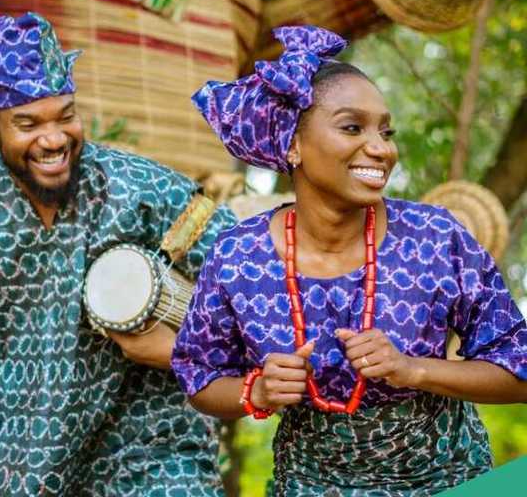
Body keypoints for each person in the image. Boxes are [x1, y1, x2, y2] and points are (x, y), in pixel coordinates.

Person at [172, 25, 527, 495]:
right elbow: (199, 375)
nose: (381, 149)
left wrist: (413, 369)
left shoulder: (436, 239)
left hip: (447, 477)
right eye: (352, 128)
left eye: (385, 131)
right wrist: (255, 391)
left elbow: (519, 369)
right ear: (293, 144)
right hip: (311, 483)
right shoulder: (238, 258)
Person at [0, 12, 236, 496]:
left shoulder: (140, 188)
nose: (54, 139)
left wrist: (182, 347)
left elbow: (240, 265)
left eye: (66, 116)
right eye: (28, 123)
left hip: (137, 435)